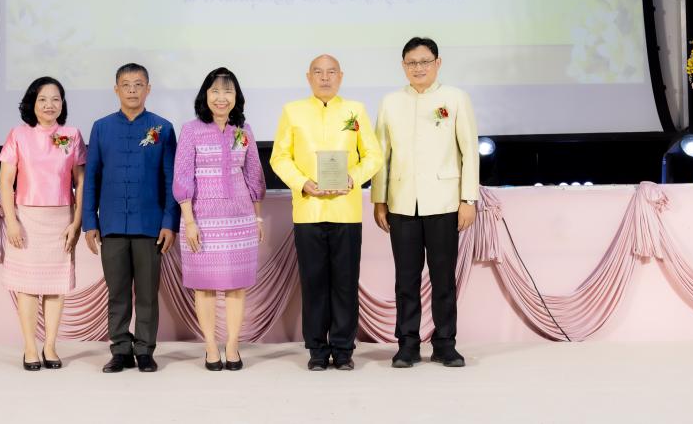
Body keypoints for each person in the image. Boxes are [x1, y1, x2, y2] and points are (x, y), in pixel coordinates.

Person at [270, 54, 383, 371]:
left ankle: (344, 350)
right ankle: (317, 350)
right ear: (308, 77)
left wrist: (353, 178)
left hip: (346, 211)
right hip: (308, 211)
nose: (324, 77)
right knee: (313, 283)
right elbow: (280, 157)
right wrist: (302, 183)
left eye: (331, 72)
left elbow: (373, 156)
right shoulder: (292, 111)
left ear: (340, 76)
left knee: (345, 283)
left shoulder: (355, 110)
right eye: (318, 72)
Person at [371, 37, 478, 368]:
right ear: (403, 66)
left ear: (438, 63)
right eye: (412, 63)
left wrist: (468, 198)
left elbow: (469, 152)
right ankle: (407, 344)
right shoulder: (391, 102)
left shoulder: (455, 98)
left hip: (444, 202)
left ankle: (445, 343)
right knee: (406, 279)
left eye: (424, 61)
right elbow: (381, 155)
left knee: (443, 278)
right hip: (402, 203)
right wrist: (379, 200)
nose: (418, 68)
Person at [82, 63, 179, 373]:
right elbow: (91, 177)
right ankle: (120, 350)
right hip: (111, 225)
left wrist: (169, 222)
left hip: (150, 225)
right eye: (126, 84)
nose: (132, 90)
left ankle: (145, 350)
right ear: (116, 89)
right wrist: (90, 222)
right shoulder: (101, 127)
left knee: (148, 294)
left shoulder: (162, 128)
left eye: (139, 84)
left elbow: (171, 179)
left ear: (148, 89)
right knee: (118, 293)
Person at [173, 67, 266, 371]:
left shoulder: (243, 130)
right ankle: (211, 347)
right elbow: (183, 176)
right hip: (201, 219)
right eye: (215, 91)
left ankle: (233, 345)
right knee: (205, 287)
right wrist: (189, 221)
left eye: (228, 91)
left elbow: (253, 175)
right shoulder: (191, 130)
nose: (221, 97)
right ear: (205, 95)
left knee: (237, 286)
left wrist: (258, 219)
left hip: (240, 220)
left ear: (236, 96)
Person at [0, 76, 86, 371]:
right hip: (26, 218)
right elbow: (6, 181)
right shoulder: (18, 135)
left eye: (56, 99)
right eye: (43, 99)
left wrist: (77, 222)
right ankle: (29, 347)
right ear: (32, 103)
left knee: (55, 286)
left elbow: (81, 181)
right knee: (26, 286)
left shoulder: (72, 135)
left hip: (61, 219)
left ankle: (50, 346)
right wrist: (11, 221)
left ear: (62, 104)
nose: (50, 105)